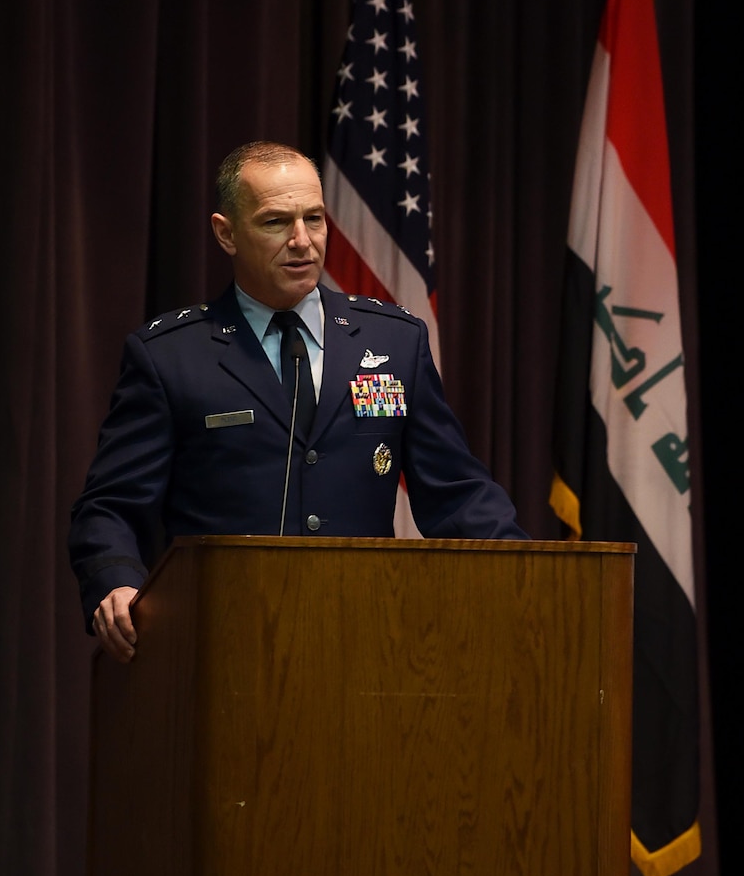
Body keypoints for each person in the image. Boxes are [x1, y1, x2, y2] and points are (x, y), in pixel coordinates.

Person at [70, 141, 524, 661]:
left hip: (369, 637)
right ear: (226, 233)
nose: (302, 241)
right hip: (224, 643)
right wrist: (116, 583)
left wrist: (536, 574)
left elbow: (457, 492)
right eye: (275, 222)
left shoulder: (395, 342)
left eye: (314, 218)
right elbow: (109, 507)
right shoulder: (170, 356)